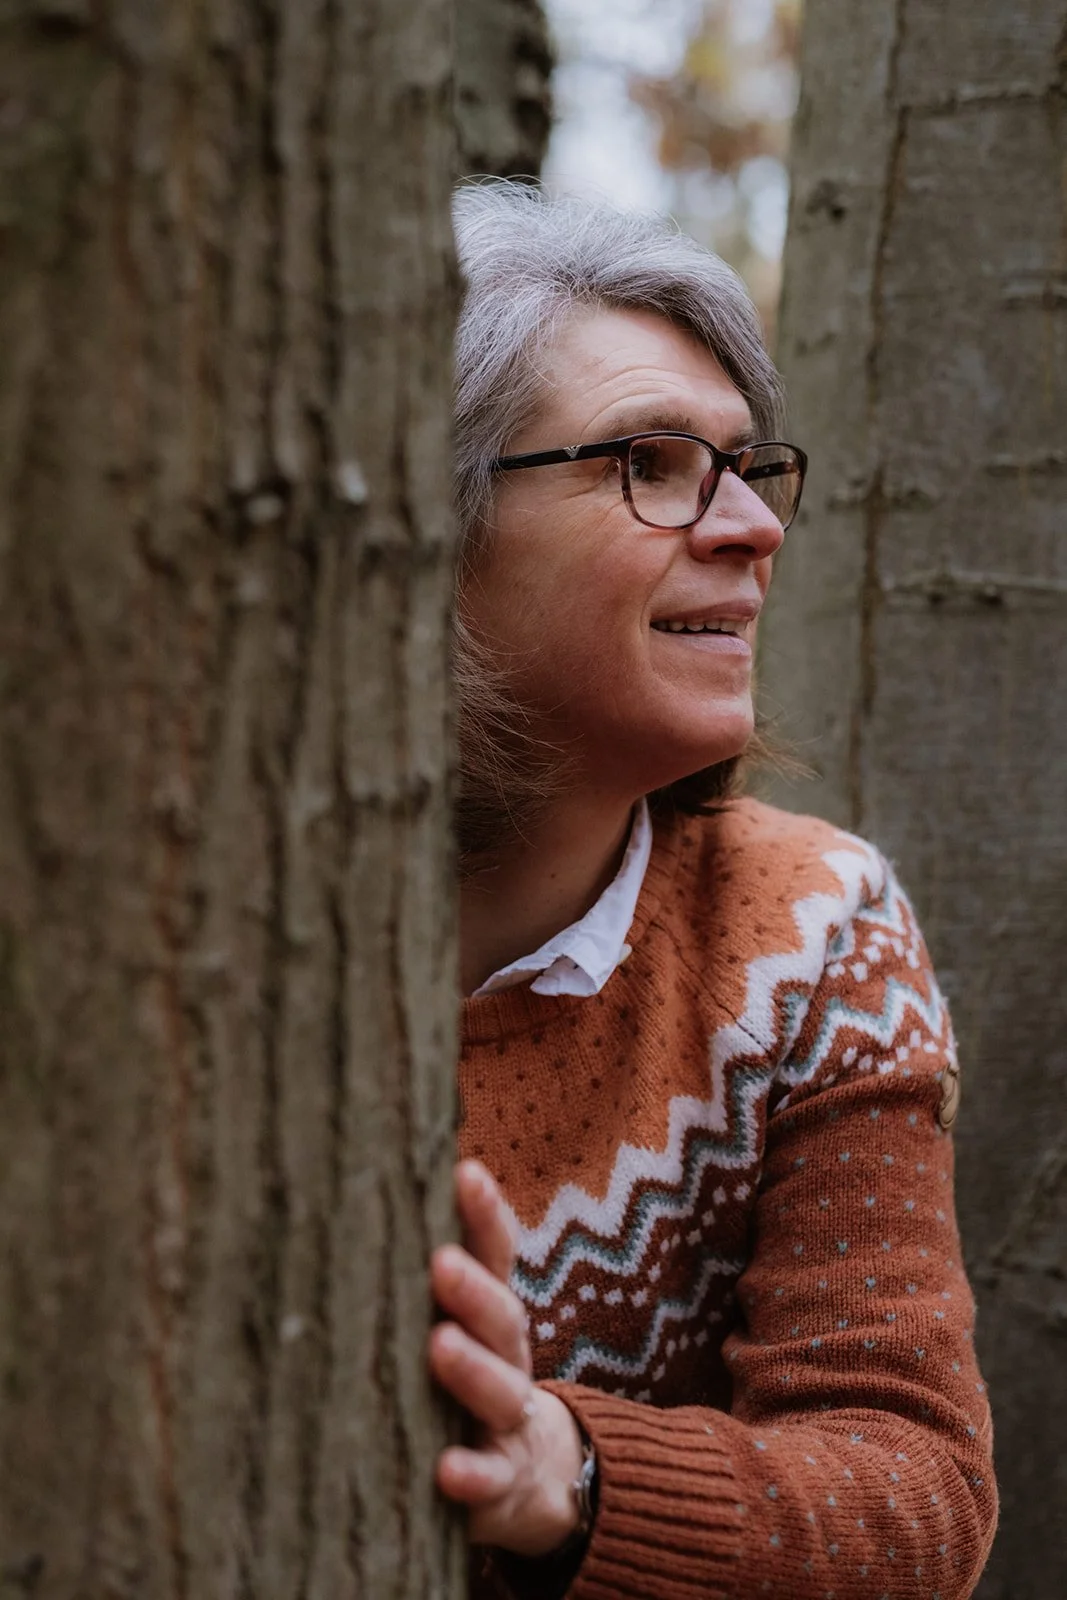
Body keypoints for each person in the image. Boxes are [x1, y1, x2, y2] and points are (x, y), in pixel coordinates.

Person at [428, 180, 996, 1600]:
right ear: (421, 530)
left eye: (747, 467)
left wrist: (569, 1474)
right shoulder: (149, 921)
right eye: (652, 462)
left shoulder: (804, 934)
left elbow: (914, 1485)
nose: (750, 527)